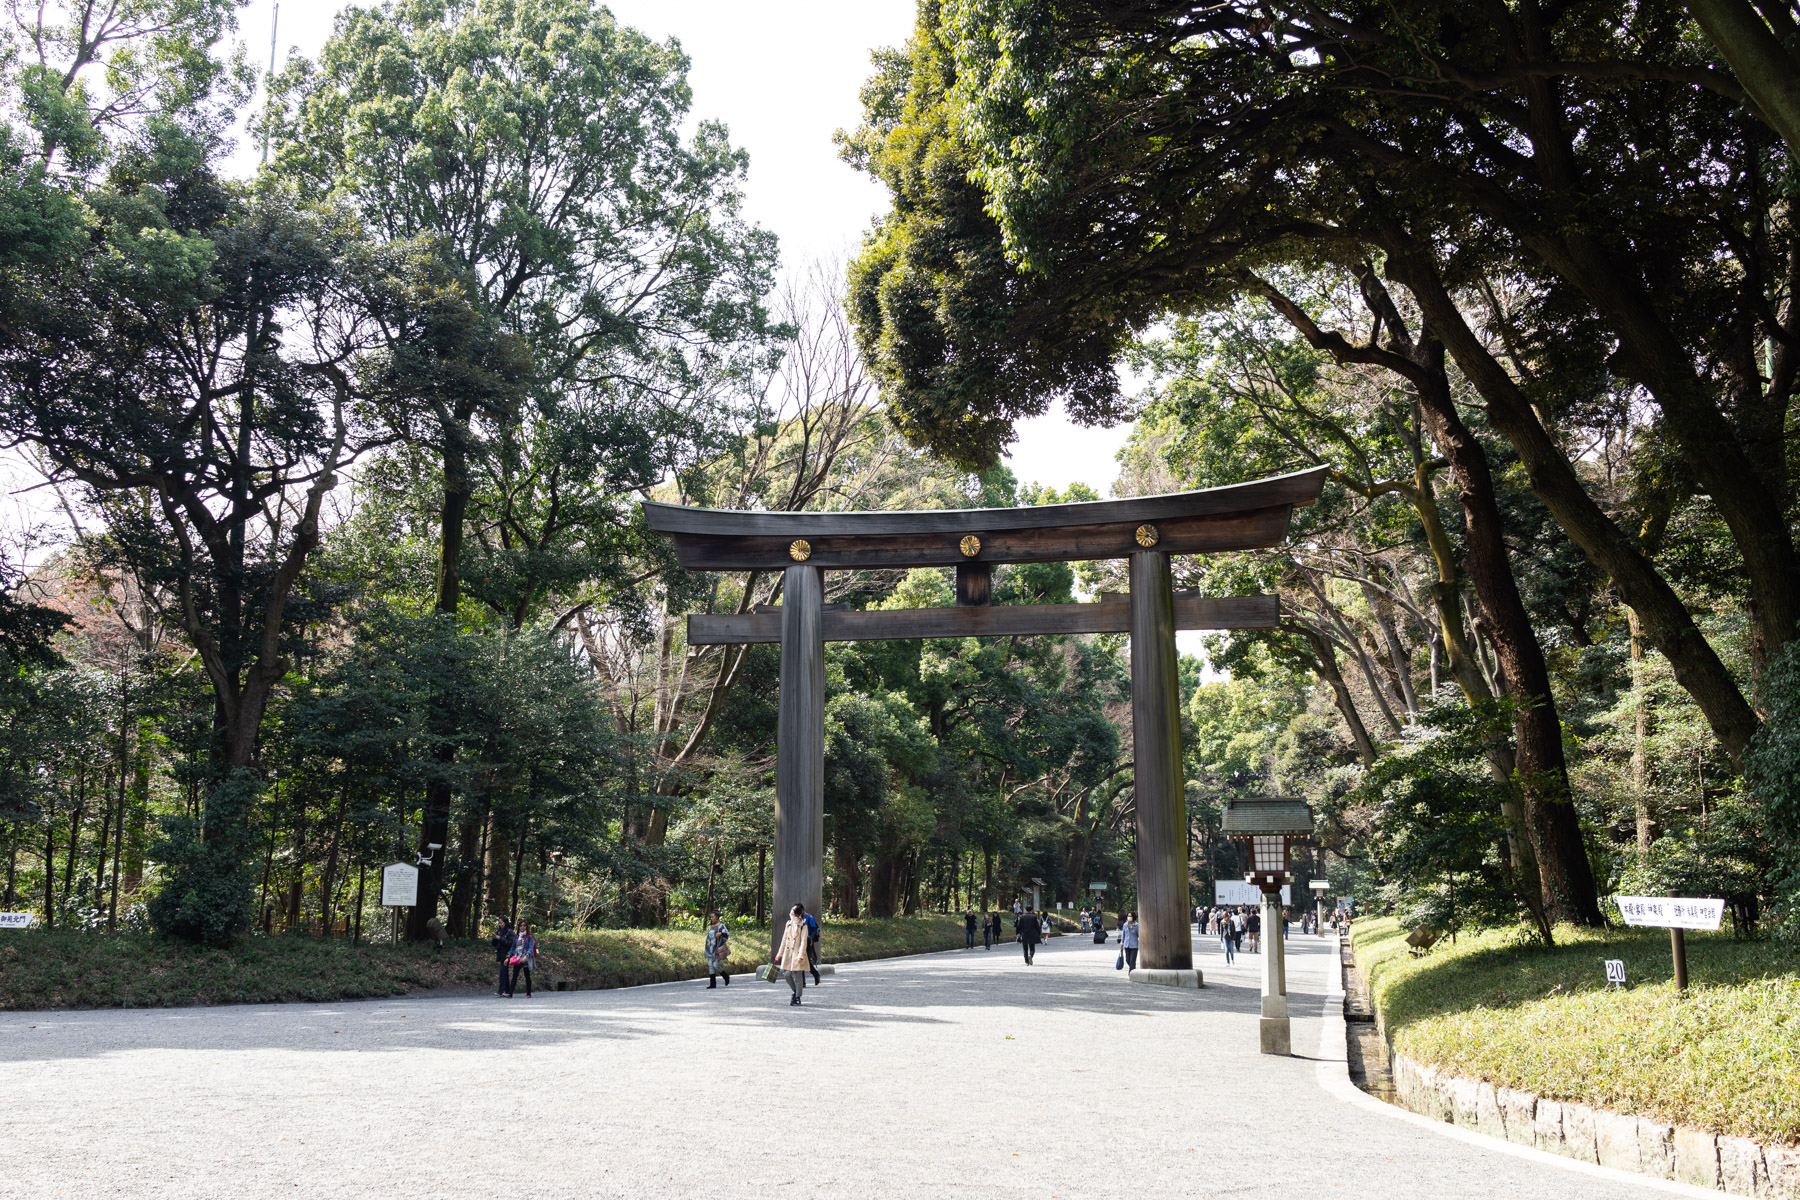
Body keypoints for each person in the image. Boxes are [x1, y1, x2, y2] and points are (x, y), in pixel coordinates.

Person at [776, 904, 811, 1006]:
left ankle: (797, 997)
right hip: (788, 953)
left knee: (798, 977)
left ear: (798, 915)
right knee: (786, 974)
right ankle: (795, 992)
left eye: (793, 914)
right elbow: (783, 940)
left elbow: (803, 942)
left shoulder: (803, 926)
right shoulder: (788, 924)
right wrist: (779, 954)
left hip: (797, 954)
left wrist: (800, 956)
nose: (791, 915)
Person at [506, 922, 538, 998]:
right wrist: (509, 956)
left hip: (525, 958)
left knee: (527, 975)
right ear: (519, 927)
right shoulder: (517, 936)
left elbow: (531, 947)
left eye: (524, 926)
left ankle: (528, 993)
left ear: (526, 927)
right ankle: (510, 993)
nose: (522, 927)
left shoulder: (529, 937)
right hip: (518, 957)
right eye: (521, 926)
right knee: (514, 975)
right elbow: (513, 947)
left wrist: (526, 956)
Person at [704, 910, 732, 988]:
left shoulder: (721, 926)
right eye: (710, 917)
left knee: (716, 965)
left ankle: (726, 977)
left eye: (712, 917)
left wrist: (721, 934)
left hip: (716, 949)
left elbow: (727, 934)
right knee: (710, 965)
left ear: (717, 917)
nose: (711, 918)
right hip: (709, 948)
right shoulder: (710, 926)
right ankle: (712, 984)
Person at [490, 915, 514, 997]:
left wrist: (499, 938)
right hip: (501, 955)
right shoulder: (499, 932)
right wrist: (494, 938)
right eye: (499, 923)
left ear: (505, 922)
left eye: (501, 922)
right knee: (505, 973)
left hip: (507, 955)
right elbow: (494, 944)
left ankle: (501, 991)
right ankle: (508, 990)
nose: (500, 924)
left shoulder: (510, 932)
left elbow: (510, 943)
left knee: (502, 972)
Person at [803, 907, 822, 985]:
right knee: (801, 962)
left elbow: (814, 929)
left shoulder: (809, 917)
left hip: (808, 942)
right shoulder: (797, 919)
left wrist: (812, 940)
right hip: (799, 943)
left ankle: (815, 974)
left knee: (806, 961)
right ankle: (802, 982)